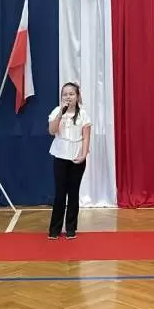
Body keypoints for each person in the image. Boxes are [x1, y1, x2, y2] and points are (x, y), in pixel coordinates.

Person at [47, 82, 91, 239]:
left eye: (71, 94)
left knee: (73, 192)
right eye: (65, 94)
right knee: (60, 193)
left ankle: (71, 228)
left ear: (77, 96)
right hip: (60, 156)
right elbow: (52, 131)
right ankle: (55, 229)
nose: (68, 97)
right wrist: (60, 114)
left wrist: (83, 155)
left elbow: (86, 137)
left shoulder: (83, 114)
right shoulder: (56, 111)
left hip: (76, 157)